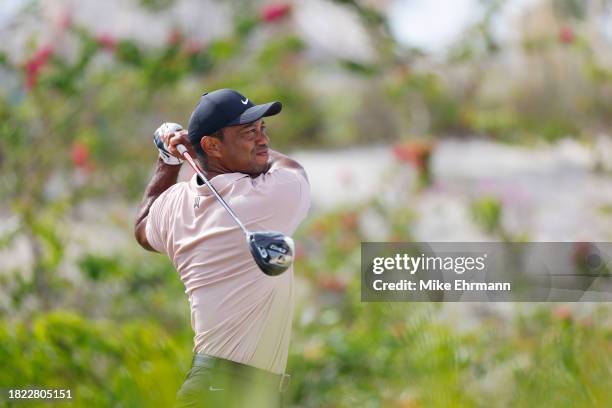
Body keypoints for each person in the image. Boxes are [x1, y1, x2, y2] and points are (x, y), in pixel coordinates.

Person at [133, 89, 311, 407]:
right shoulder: (265, 197)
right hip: (230, 390)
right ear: (212, 146)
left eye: (262, 130)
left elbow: (143, 226)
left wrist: (168, 160)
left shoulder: (175, 205)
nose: (263, 141)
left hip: (214, 384)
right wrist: (186, 149)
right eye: (248, 133)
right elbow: (294, 170)